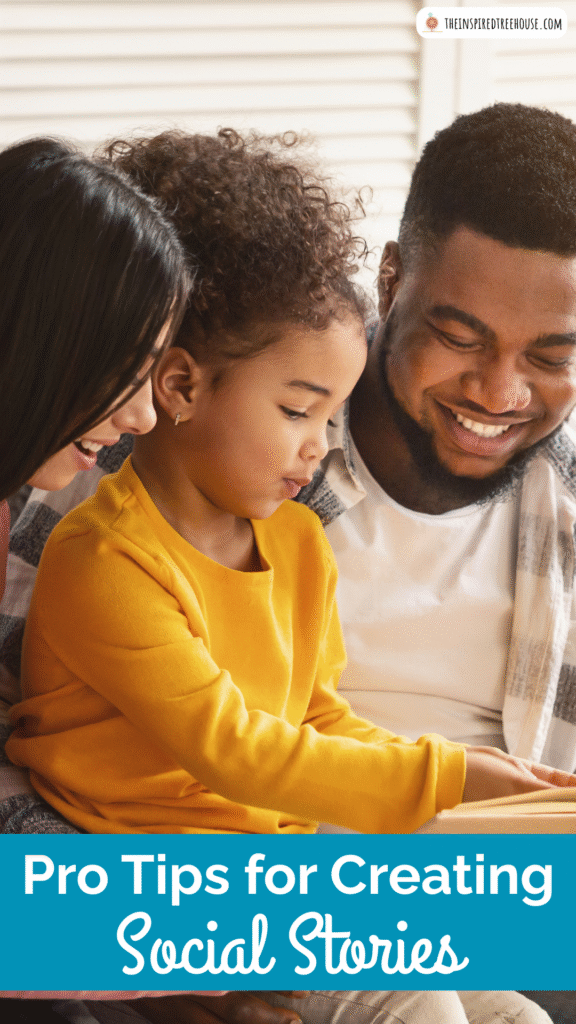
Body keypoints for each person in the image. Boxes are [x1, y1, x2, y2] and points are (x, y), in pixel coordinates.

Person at [0, 125, 561, 1022]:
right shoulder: (92, 529)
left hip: (281, 867)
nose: (498, 392)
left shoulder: (292, 533)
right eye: (460, 336)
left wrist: (465, 779)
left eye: (553, 357)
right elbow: (230, 750)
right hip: (152, 888)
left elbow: (316, 713)